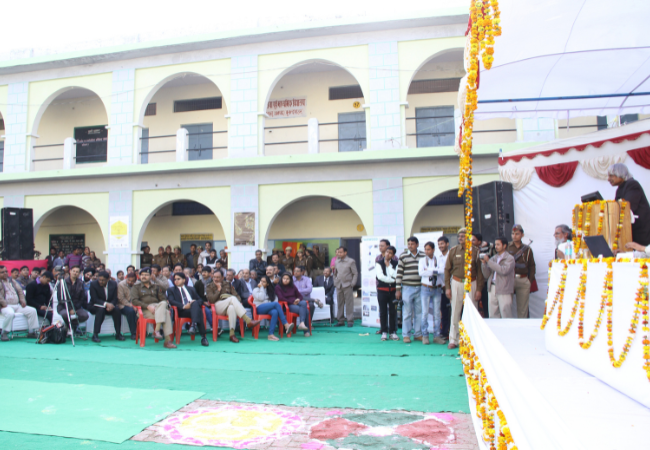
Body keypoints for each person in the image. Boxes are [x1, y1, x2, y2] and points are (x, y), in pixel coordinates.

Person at [444, 228, 484, 350]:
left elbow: (480, 272)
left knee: (472, 311)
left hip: (471, 282)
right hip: (457, 282)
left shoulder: (476, 251)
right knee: (455, 311)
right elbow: (447, 270)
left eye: (463, 236)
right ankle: (453, 339)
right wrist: (448, 287)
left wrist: (479, 289)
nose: (460, 238)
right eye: (459, 236)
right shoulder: (453, 251)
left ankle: (471, 339)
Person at [205, 271, 259, 343]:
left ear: (222, 278)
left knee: (232, 308)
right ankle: (247, 320)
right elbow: (211, 300)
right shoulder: (209, 286)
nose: (215, 279)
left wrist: (238, 303)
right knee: (232, 298)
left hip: (229, 305)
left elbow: (237, 296)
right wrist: (218, 289)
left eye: (218, 277)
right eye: (214, 277)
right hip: (217, 306)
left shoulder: (227, 284)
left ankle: (232, 334)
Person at [130, 268, 176, 349]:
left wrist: (163, 304)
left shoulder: (155, 286)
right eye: (142, 275)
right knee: (166, 313)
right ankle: (167, 341)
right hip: (145, 310)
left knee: (164, 303)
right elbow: (134, 301)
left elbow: (163, 299)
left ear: (151, 276)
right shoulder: (136, 287)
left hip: (157, 308)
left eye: (146, 275)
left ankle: (156, 330)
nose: (144, 276)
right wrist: (147, 306)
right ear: (139, 276)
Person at [608, 163, 650, 245]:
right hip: (631, 232)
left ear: (620, 173)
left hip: (641, 233)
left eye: (611, 176)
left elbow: (627, 207)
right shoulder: (620, 188)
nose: (608, 179)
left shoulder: (632, 184)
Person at [395, 237, 425, 343]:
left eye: (412, 244)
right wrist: (398, 289)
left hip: (421, 287)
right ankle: (406, 335)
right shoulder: (403, 256)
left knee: (419, 312)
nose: (410, 246)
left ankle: (418, 334)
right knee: (407, 312)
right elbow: (399, 273)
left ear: (417, 244)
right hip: (407, 287)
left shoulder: (423, 255)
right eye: (409, 244)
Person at [166, 272, 209, 346]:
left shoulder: (191, 289)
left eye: (178, 279)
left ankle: (193, 325)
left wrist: (192, 302)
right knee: (198, 312)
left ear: (184, 280)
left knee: (195, 303)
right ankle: (203, 337)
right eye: (175, 279)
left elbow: (200, 300)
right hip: (181, 311)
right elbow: (171, 301)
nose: (176, 281)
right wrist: (184, 306)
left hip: (193, 309)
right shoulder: (171, 290)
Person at [0, 265, 39, 340]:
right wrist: (4, 304)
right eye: (2, 272)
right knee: (10, 313)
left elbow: (20, 291)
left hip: (16, 305)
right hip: (5, 306)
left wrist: (22, 301)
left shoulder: (11, 280)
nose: (5, 273)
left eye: (6, 271)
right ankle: (4, 333)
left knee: (32, 310)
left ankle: (31, 332)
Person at [481, 237, 515, 319]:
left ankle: (507, 328)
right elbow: (487, 275)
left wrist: (488, 261)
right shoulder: (494, 257)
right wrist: (484, 264)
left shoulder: (510, 258)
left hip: (504, 288)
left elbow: (503, 271)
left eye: (498, 244)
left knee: (505, 312)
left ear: (504, 246)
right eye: (495, 244)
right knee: (493, 313)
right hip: (492, 287)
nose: (496, 246)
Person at [507, 225, 536, 318]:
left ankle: (522, 325)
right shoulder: (507, 247)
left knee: (523, 309)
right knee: (506, 306)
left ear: (522, 235)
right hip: (509, 279)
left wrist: (529, 280)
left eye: (517, 234)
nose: (514, 236)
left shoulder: (527, 249)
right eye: (512, 234)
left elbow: (532, 266)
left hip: (523, 279)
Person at [252, 275, 294, 340]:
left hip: (268, 309)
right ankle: (286, 324)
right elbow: (261, 298)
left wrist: (270, 304)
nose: (261, 283)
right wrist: (262, 288)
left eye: (264, 282)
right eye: (261, 281)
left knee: (275, 312)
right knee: (276, 304)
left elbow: (275, 300)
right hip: (259, 308)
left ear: (268, 284)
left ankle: (270, 334)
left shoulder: (270, 291)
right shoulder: (256, 289)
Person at [88, 271, 126, 343]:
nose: (100, 282)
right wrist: (106, 304)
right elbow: (94, 299)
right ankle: (95, 334)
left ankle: (118, 333)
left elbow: (115, 298)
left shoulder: (113, 284)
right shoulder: (93, 284)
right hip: (95, 306)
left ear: (108, 279)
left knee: (117, 310)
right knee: (101, 310)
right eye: (99, 279)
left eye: (103, 280)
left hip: (109, 306)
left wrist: (111, 305)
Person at [419, 241, 445, 345]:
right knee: (424, 313)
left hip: (437, 288)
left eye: (428, 249)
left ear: (433, 250)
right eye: (425, 249)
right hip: (425, 288)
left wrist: (428, 270)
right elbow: (421, 272)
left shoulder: (439, 259)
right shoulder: (422, 260)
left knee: (437, 313)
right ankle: (425, 335)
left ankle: (436, 336)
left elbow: (442, 270)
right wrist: (435, 270)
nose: (426, 251)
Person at [57, 265, 90, 336]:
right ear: (70, 271)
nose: (75, 273)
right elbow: (60, 298)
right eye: (73, 271)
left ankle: (71, 326)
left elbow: (81, 298)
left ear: (79, 273)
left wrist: (74, 308)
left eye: (77, 272)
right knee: (65, 314)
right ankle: (70, 328)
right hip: (63, 306)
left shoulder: (81, 283)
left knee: (85, 316)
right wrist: (69, 309)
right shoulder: (63, 282)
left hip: (76, 307)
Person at [375, 245, 399, 341]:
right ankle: (384, 331)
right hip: (382, 290)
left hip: (393, 291)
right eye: (387, 252)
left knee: (393, 312)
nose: (388, 254)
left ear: (393, 255)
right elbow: (380, 277)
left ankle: (392, 332)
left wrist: (389, 266)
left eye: (390, 253)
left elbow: (396, 275)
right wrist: (392, 280)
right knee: (383, 312)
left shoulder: (396, 263)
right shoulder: (379, 263)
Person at [333, 246, 358, 327]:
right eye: (338, 252)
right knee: (340, 303)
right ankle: (340, 320)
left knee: (349, 303)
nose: (339, 254)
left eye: (341, 252)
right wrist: (335, 282)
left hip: (347, 285)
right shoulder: (337, 262)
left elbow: (355, 273)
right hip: (338, 285)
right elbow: (335, 273)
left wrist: (352, 283)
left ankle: (350, 320)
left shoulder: (351, 261)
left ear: (345, 253)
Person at [472, 233, 495, 318]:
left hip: (485, 282)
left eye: (473, 240)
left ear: (479, 242)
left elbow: (495, 246)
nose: (471, 242)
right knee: (474, 305)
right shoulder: (469, 251)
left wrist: (488, 244)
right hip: (474, 282)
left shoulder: (486, 250)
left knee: (486, 305)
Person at [117, 272, 139, 340]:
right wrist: (131, 305)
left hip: (135, 304)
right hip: (123, 304)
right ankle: (134, 333)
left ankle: (142, 331)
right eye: (128, 280)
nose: (130, 282)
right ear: (126, 278)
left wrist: (136, 305)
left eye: (132, 281)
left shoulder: (138, 284)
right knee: (131, 311)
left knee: (141, 311)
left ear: (135, 280)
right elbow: (121, 299)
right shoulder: (121, 284)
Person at [436, 236, 451, 340]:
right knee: (444, 311)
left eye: (442, 244)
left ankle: (456, 333)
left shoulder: (451, 255)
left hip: (452, 286)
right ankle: (444, 332)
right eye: (439, 244)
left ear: (447, 244)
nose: (440, 246)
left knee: (455, 311)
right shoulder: (438, 257)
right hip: (442, 287)